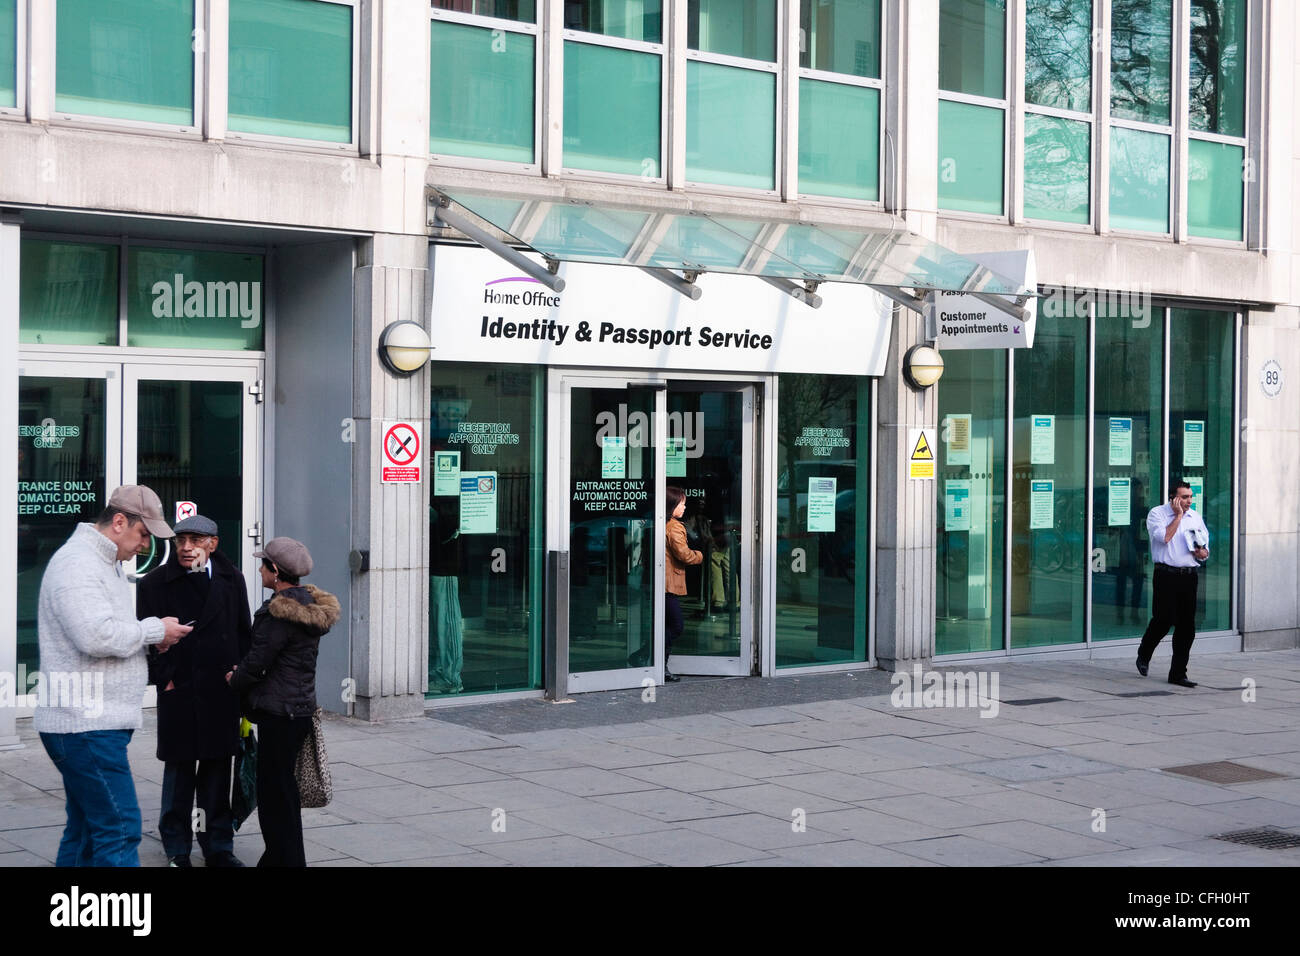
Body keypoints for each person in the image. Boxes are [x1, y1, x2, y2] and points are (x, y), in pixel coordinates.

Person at [34, 485, 192, 867]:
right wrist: (154, 631)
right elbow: (95, 635)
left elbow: (105, 629)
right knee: (120, 827)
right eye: (143, 534)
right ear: (119, 522)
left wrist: (148, 639)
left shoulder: (101, 562)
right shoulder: (78, 564)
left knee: (87, 828)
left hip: (89, 724)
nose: (145, 545)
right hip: (85, 725)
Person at [137, 514, 251, 868]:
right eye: (180, 540)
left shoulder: (233, 579)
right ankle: (177, 848)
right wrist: (164, 679)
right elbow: (146, 638)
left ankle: (218, 845)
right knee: (179, 772)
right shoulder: (155, 583)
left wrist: (241, 678)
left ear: (213, 544)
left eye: (195, 541)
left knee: (217, 771)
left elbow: (242, 631)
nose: (186, 548)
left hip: (221, 691)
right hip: (180, 689)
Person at [227, 537, 339, 867]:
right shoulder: (308, 609)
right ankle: (281, 860)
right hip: (299, 710)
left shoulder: (279, 614)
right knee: (284, 793)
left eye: (264, 565)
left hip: (279, 713)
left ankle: (286, 860)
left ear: (276, 572)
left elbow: (259, 661)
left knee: (275, 796)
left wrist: (234, 679)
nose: (259, 569)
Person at [1136, 480, 1210, 687]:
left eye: (1190, 496)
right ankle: (1144, 651)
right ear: (1173, 498)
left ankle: (1178, 673)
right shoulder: (1157, 514)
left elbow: (1205, 547)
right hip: (1166, 575)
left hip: (1189, 575)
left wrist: (1203, 553)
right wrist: (1178, 516)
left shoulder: (1195, 517)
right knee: (1164, 619)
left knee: (1187, 627)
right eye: (1184, 497)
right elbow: (1165, 537)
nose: (1189, 501)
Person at [664, 486, 702, 683]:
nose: (684, 507)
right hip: (669, 583)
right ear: (672, 505)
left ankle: (654, 662)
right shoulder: (674, 526)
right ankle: (656, 662)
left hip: (661, 582)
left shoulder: (663, 523)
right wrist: (700, 555)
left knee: (665, 624)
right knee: (676, 625)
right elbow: (683, 554)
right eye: (682, 504)